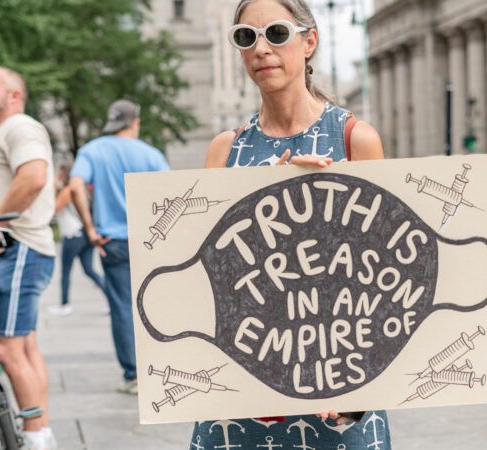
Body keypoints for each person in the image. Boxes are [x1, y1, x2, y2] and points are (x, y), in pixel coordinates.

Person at [192, 0, 392, 448]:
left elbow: (380, 274)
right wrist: (263, 194)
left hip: (337, 381)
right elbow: (205, 276)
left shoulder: (355, 139)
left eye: (277, 33)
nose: (261, 48)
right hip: (242, 390)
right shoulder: (225, 151)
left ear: (309, 42)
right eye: (246, 37)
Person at [69, 99, 170, 395]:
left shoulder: (93, 150)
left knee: (123, 306)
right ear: (135, 122)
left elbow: (75, 186)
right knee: (156, 304)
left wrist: (90, 229)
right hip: (152, 241)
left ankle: (134, 375)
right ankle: (164, 367)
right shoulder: (150, 154)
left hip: (112, 241)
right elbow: (171, 195)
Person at [0, 66, 57, 449]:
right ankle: (41, 432)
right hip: (24, 247)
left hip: (17, 245)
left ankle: (34, 438)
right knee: (25, 345)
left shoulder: (20, 127)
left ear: (14, 94)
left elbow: (33, 177)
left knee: (7, 347)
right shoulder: (4, 132)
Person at [48, 163, 105, 316]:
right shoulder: (78, 189)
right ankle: (111, 299)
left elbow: (53, 209)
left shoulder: (67, 191)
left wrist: (53, 188)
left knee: (66, 270)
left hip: (73, 234)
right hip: (84, 234)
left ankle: (65, 304)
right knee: (89, 269)